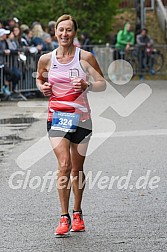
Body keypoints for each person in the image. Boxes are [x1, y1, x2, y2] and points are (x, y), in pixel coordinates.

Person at [36, 14, 106, 237]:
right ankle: (64, 216)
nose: (64, 34)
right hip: (57, 117)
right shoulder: (46, 59)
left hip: (82, 119)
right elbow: (39, 78)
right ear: (55, 32)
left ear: (74, 33)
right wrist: (42, 87)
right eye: (61, 30)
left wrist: (87, 85)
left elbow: (102, 84)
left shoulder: (85, 57)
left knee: (77, 169)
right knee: (64, 165)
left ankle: (77, 212)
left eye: (69, 30)